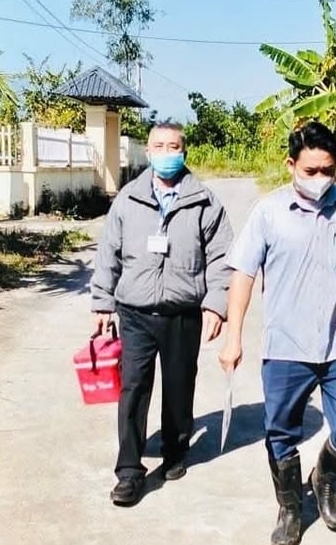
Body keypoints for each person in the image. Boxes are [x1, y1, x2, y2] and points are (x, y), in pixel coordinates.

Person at [219, 120, 336, 545]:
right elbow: (243, 274)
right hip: (286, 346)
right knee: (280, 432)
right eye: (311, 171)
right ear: (291, 165)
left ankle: (324, 480)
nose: (320, 178)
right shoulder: (268, 212)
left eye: (328, 170)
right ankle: (289, 508)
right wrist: (233, 337)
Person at [91, 122, 233, 506]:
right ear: (148, 151)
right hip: (134, 312)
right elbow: (109, 253)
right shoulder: (128, 198)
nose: (166, 153)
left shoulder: (205, 202)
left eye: (173, 146)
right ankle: (128, 470)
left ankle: (175, 449)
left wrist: (215, 303)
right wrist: (103, 302)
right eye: (159, 146)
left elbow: (222, 258)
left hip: (182, 313)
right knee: (133, 388)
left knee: (179, 386)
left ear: (184, 151)